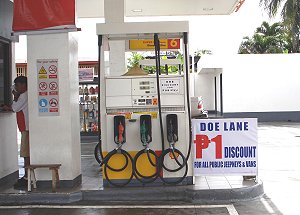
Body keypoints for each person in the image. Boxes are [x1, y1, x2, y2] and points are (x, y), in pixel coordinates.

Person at [2, 76, 29, 187]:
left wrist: (15, 96)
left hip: (26, 128)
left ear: (23, 85)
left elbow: (14, 108)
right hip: (25, 127)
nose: (16, 88)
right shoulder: (25, 94)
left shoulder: (23, 96)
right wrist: (16, 92)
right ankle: (27, 175)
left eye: (17, 85)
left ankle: (27, 176)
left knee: (25, 153)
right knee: (26, 152)